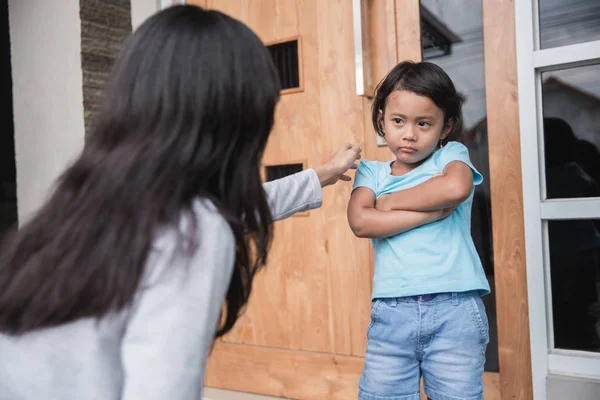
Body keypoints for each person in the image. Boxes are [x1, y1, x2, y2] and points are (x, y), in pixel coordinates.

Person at [0, 5, 361, 400]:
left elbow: (235, 208)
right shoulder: (193, 230)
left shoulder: (92, 196)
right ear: (234, 118)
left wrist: (323, 173)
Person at [348, 61, 490, 400]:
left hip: (455, 310)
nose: (409, 134)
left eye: (423, 123)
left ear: (445, 127)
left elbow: (455, 189)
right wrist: (430, 214)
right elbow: (361, 221)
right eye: (398, 121)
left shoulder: (451, 156)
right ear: (382, 118)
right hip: (391, 314)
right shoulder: (372, 172)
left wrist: (391, 203)